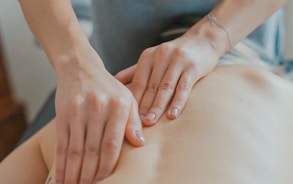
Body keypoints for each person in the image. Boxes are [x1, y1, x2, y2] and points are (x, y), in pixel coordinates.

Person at [18, 0, 287, 183]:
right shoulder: (270, 93)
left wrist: (211, 38)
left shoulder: (59, 133)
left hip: (233, 31)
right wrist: (74, 63)